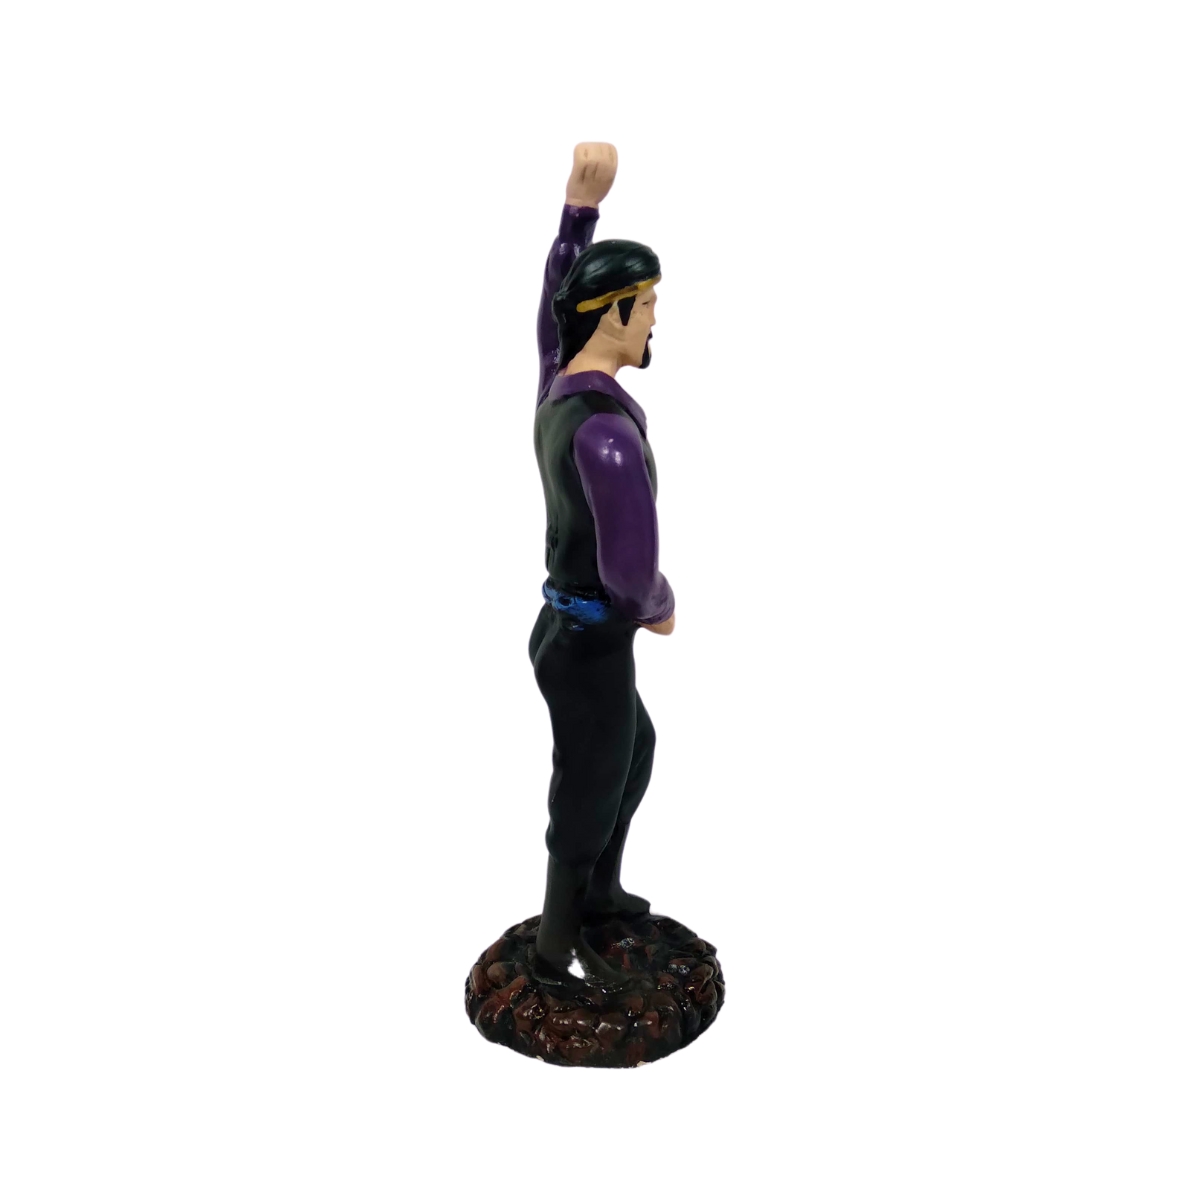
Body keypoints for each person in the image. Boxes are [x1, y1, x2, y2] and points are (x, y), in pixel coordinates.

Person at [529, 143, 675, 986]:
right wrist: (661, 603)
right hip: (591, 638)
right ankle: (555, 951)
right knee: (588, 787)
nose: (655, 319)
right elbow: (631, 571)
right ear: (614, 311)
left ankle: (603, 890)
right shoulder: (610, 438)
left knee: (635, 748)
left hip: (563, 630)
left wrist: (577, 215)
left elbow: (553, 309)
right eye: (647, 304)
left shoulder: (558, 379)